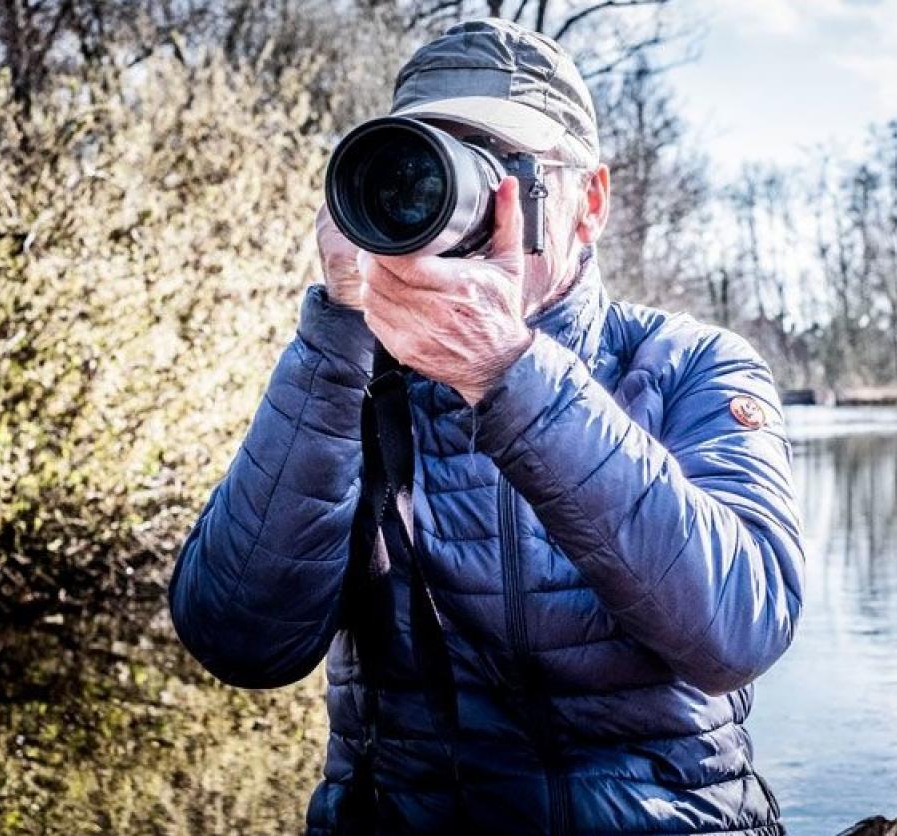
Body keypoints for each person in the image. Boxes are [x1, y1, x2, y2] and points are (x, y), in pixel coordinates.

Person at [169, 17, 804, 835]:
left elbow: (739, 628)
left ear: (591, 204)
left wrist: (509, 374)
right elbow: (238, 641)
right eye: (430, 164)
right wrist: (334, 338)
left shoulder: (691, 366)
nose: (461, 209)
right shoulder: (349, 373)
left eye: (504, 170)